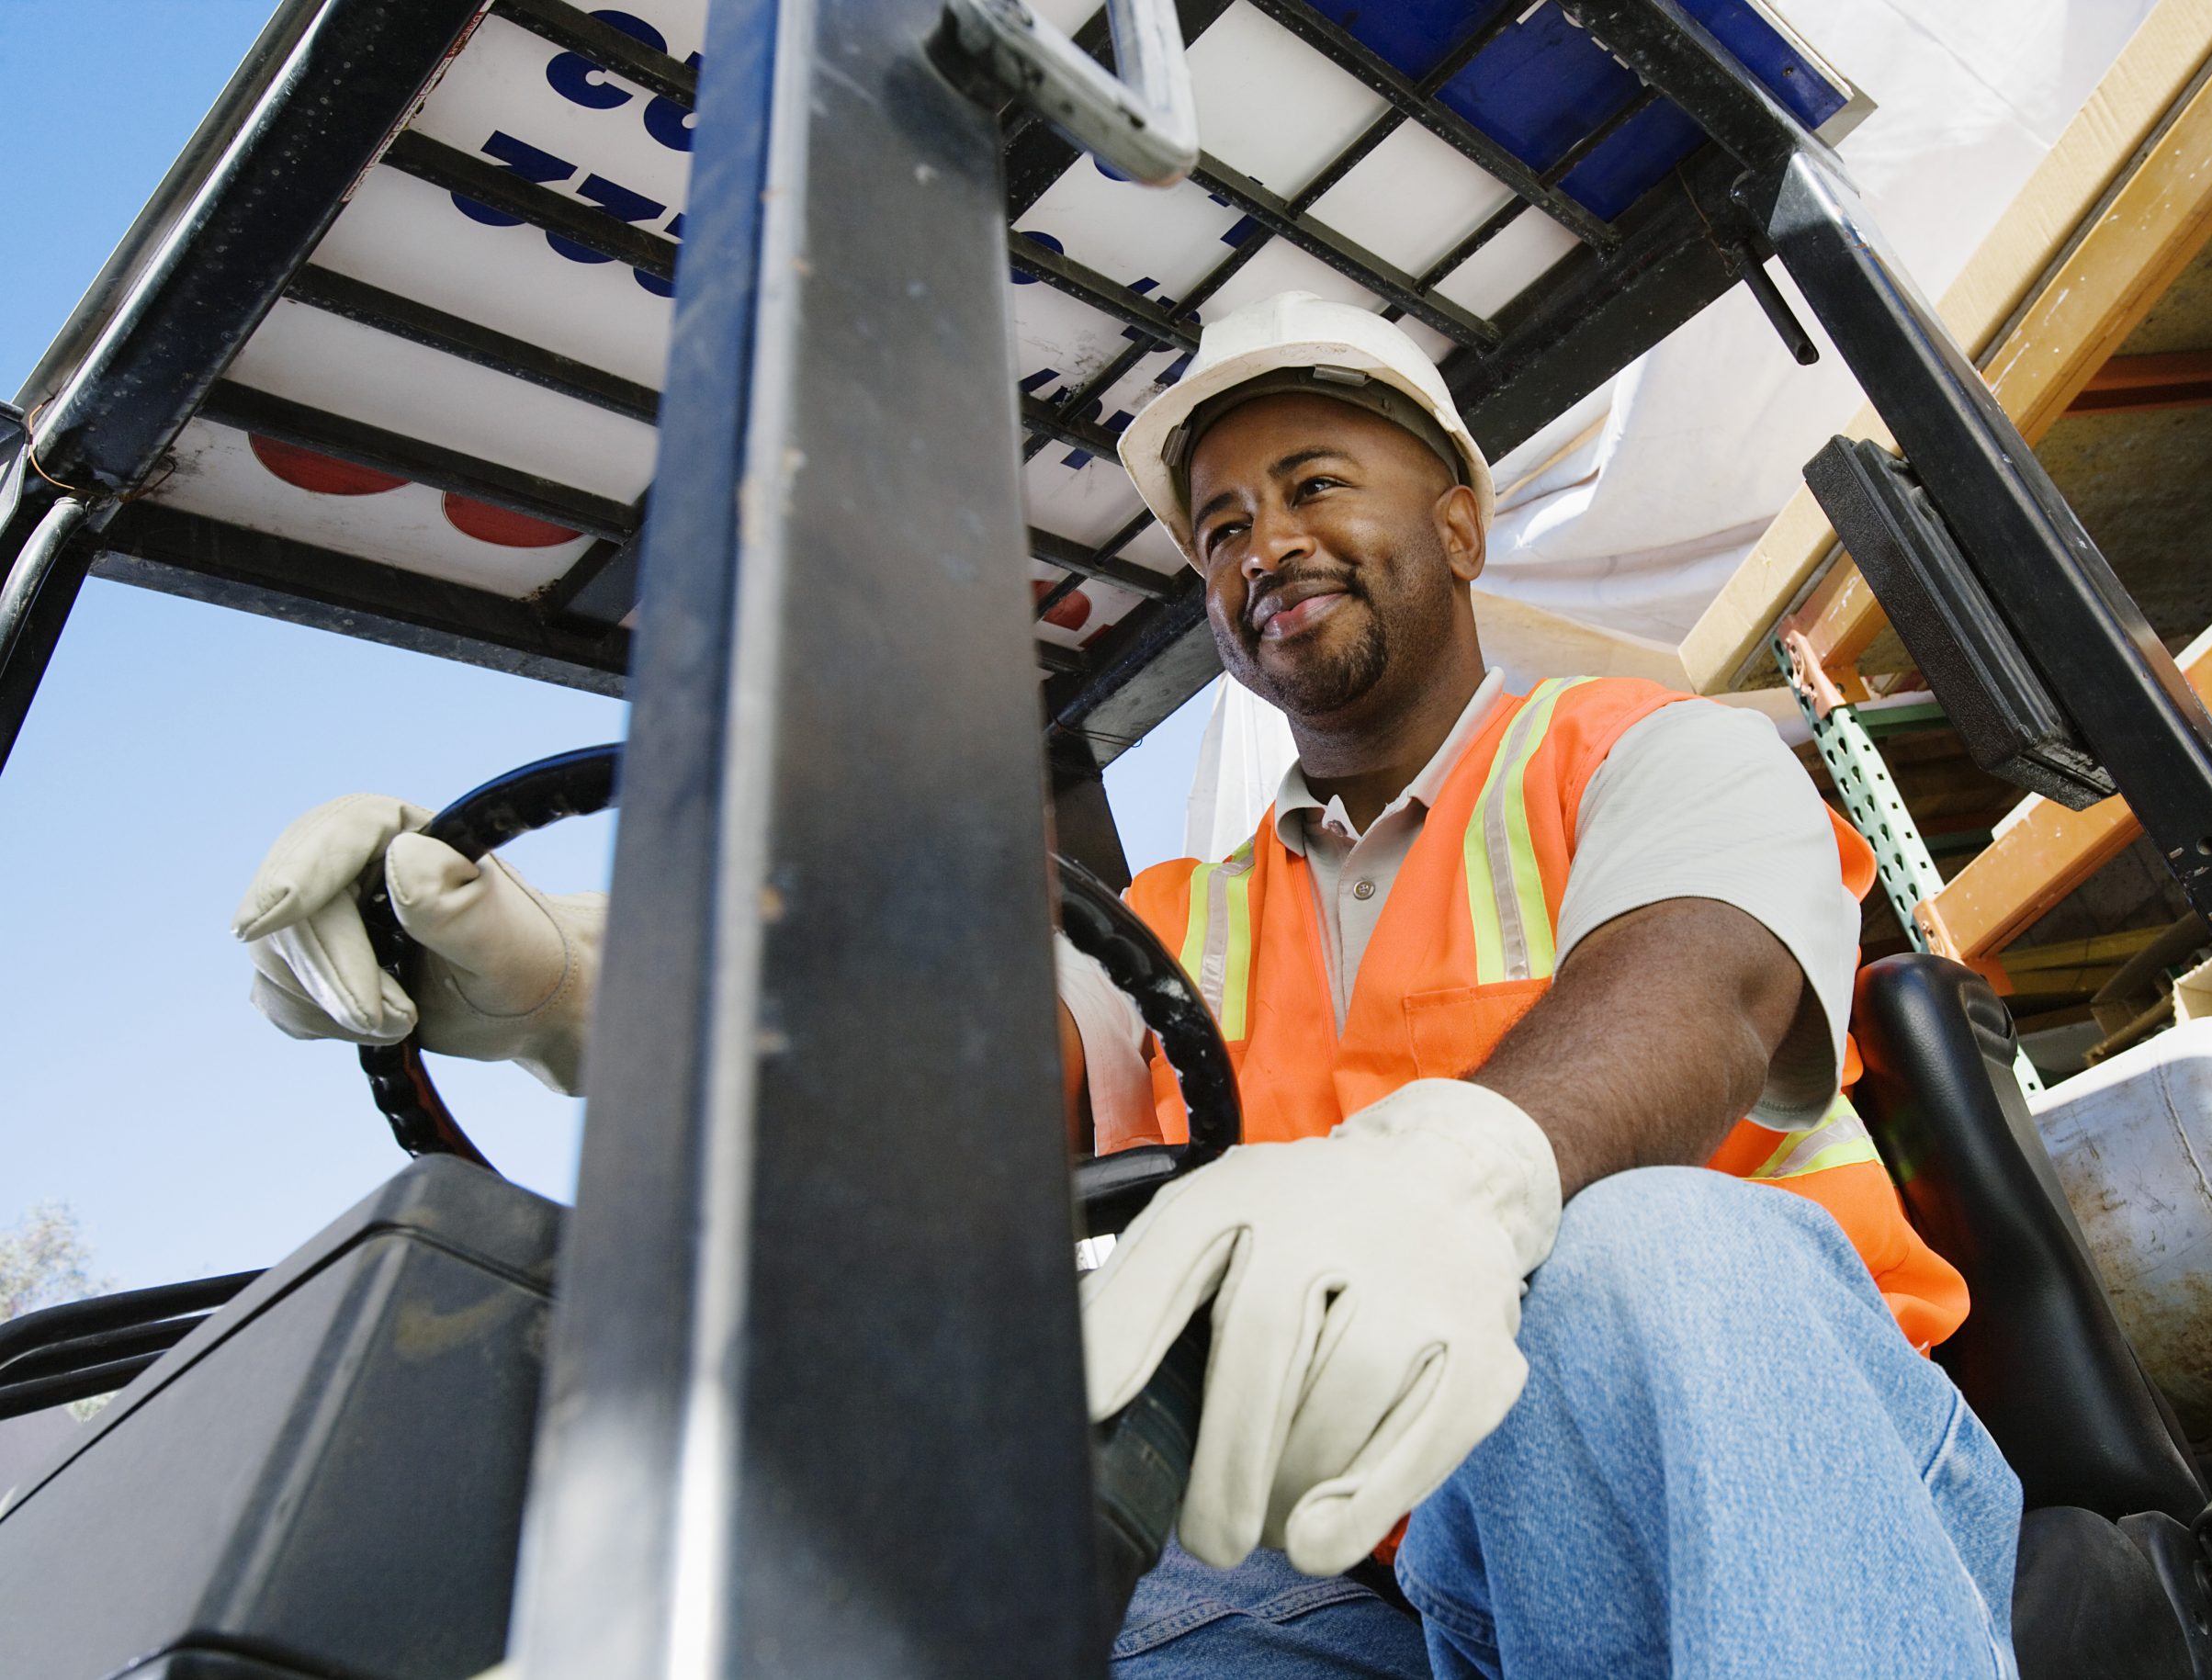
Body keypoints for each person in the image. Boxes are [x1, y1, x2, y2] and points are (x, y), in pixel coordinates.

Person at [234, 293, 2020, 1677]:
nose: (1262, 547)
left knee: (1647, 1255)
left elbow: (1702, 983)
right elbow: (917, 1076)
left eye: (1314, 485)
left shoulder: (1645, 751)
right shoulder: (1161, 918)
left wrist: (1457, 1178)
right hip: (1354, 1569)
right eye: (1223, 526)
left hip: (1743, 1484)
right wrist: (564, 986)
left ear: (1463, 524)